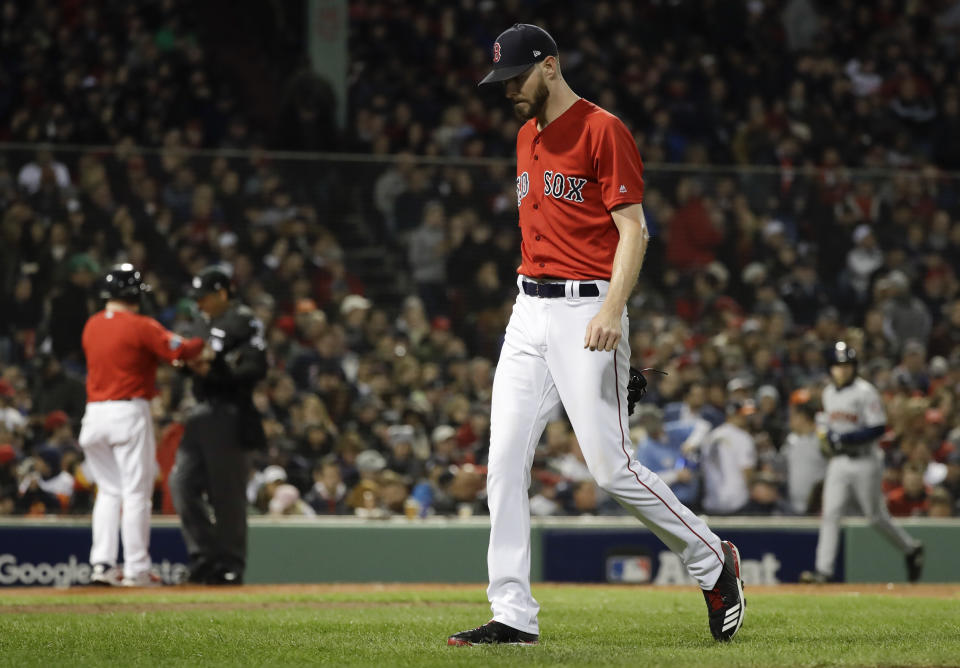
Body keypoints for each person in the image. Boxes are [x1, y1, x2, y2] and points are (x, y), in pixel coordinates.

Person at [448, 24, 745, 647]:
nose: (507, 91)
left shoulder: (602, 129)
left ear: (549, 65)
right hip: (529, 309)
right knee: (502, 463)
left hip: (588, 309)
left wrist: (613, 309)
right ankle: (512, 615)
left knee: (610, 469)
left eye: (516, 77)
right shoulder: (525, 134)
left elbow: (633, 229)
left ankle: (712, 559)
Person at [79, 264, 205, 586]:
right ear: (133, 294)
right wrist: (206, 339)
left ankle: (101, 565)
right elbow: (181, 349)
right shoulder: (140, 325)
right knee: (135, 493)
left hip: (93, 415)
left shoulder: (91, 326)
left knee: (109, 491)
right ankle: (136, 568)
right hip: (127, 412)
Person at [170, 266, 268, 585]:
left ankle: (230, 563)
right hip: (199, 411)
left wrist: (215, 369)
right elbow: (188, 362)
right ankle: (205, 556)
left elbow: (255, 367)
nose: (199, 304)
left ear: (223, 293)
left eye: (205, 297)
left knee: (226, 493)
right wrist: (191, 366)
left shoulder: (243, 320)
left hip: (230, 410)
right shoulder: (200, 323)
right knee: (181, 484)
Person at [800, 342, 924, 583]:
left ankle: (911, 548)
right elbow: (826, 425)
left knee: (875, 516)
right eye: (838, 365)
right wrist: (826, 436)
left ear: (854, 367)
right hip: (839, 462)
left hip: (866, 460)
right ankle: (823, 571)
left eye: (847, 365)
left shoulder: (865, 391)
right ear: (830, 368)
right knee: (830, 514)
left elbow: (878, 427)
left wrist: (844, 438)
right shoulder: (828, 393)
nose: (842, 370)